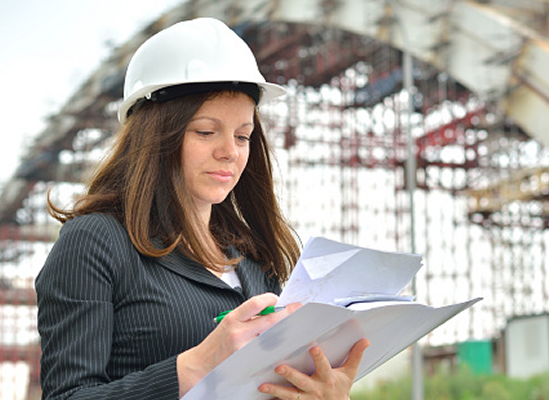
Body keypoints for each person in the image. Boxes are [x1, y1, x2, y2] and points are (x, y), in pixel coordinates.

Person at [36, 17, 369, 400]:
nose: (230, 151)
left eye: (243, 136)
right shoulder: (96, 242)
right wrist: (195, 365)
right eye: (206, 132)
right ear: (156, 136)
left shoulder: (255, 261)